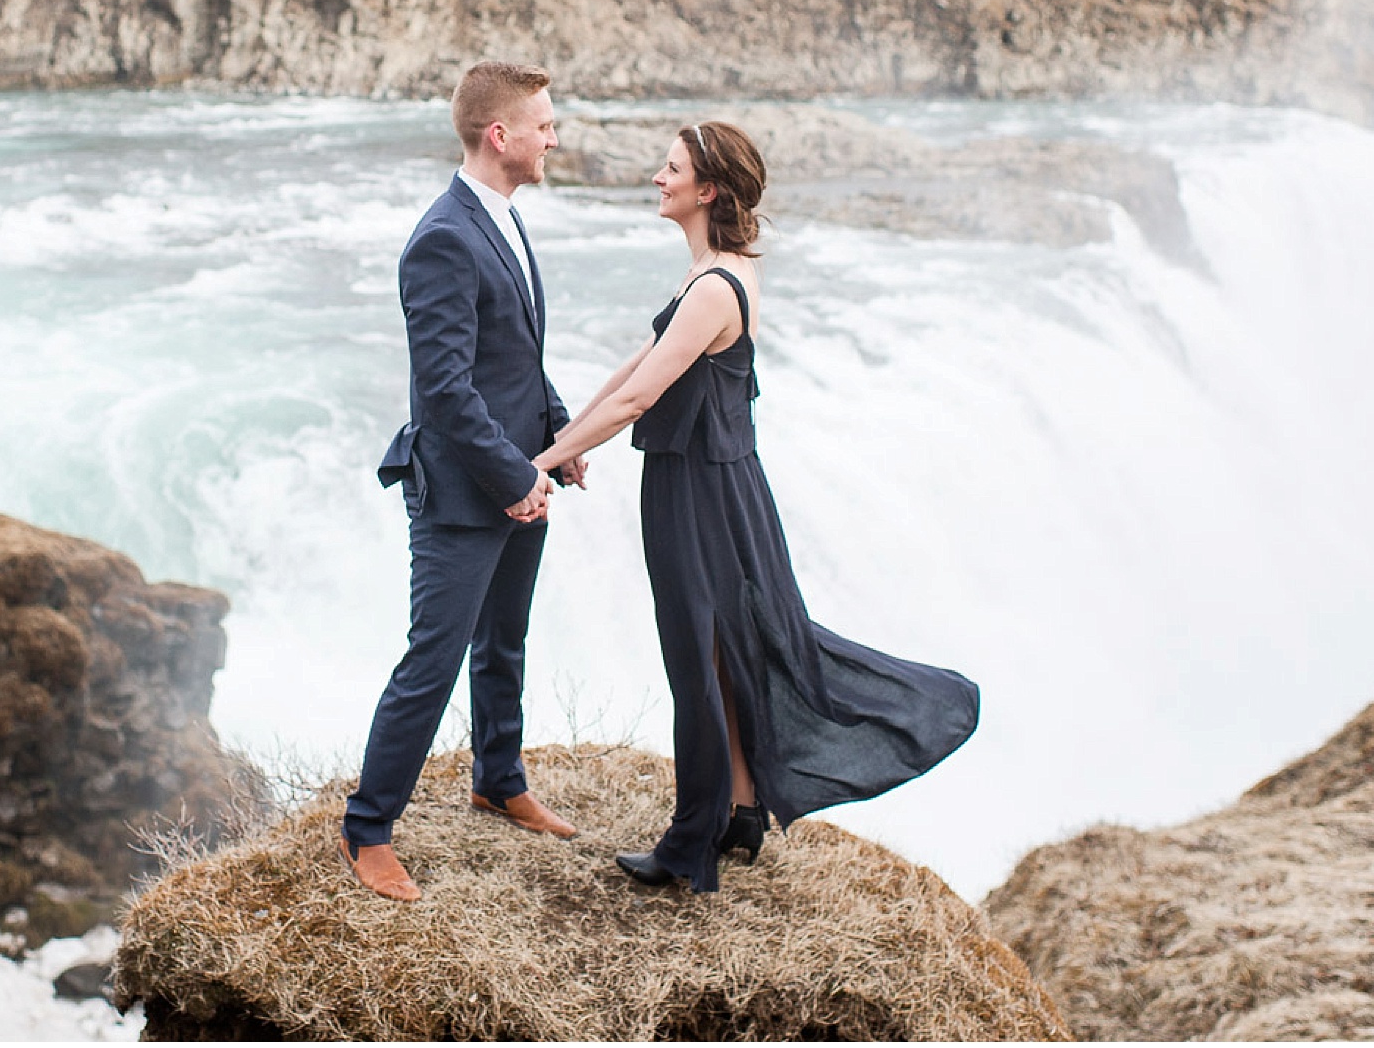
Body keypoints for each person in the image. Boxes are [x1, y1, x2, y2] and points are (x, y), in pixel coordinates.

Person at [530, 121, 979, 892]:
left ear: (706, 189)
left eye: (669, 168)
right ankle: (739, 810)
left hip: (701, 493)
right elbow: (634, 366)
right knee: (723, 651)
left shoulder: (712, 289)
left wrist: (534, 464)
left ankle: (690, 843)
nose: (655, 177)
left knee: (698, 661)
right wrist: (569, 439)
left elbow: (642, 395)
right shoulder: (713, 271)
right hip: (714, 483)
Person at [340, 61, 589, 903]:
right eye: (544, 123)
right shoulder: (443, 236)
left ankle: (498, 776)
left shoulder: (508, 220)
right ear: (501, 135)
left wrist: (557, 434)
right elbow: (444, 389)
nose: (555, 136)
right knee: (433, 658)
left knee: (505, 640)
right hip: (461, 489)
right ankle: (368, 827)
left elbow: (516, 354)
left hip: (520, 476)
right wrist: (514, 474)